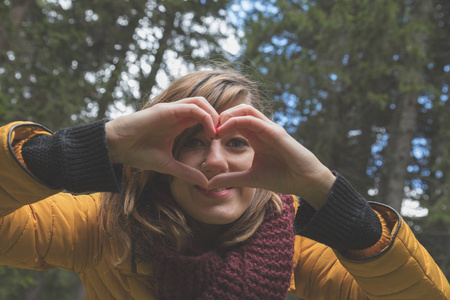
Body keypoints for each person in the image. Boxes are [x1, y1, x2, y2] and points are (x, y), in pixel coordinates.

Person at [0, 69, 448, 300]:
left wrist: (326, 192)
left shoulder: (304, 249)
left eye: (237, 141)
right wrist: (92, 147)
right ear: (158, 157)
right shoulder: (105, 225)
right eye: (191, 142)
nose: (215, 162)